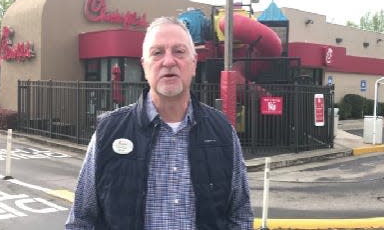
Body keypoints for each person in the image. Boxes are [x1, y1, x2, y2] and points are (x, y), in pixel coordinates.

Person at [65, 16, 254, 230]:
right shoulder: (108, 132)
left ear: (193, 64)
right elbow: (81, 219)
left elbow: (240, 214)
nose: (169, 61)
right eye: (157, 53)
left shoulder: (223, 132)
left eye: (179, 51)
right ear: (145, 67)